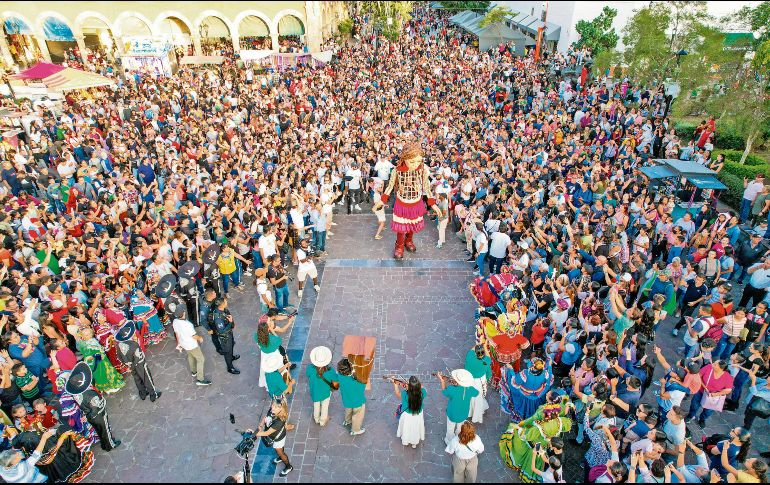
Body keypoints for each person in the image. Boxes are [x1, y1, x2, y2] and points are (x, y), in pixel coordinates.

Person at [65, 362, 121, 452]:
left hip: (88, 415)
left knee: (99, 430)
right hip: (98, 415)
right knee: (105, 430)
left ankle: (104, 444)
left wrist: (86, 416)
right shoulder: (90, 394)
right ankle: (110, 445)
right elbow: (97, 407)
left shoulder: (76, 394)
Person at [114, 320, 161, 402]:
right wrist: (133, 364)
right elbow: (138, 357)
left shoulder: (119, 345)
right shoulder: (134, 345)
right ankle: (153, 394)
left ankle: (142, 393)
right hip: (139, 364)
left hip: (130, 365)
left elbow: (119, 356)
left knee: (137, 379)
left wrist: (127, 366)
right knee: (146, 378)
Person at [253, 399, 295, 477]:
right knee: (278, 450)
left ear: (281, 409)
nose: (273, 408)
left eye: (276, 407)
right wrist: (260, 425)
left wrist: (255, 433)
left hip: (278, 439)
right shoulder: (273, 410)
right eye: (273, 405)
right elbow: (266, 417)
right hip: (274, 436)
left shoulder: (279, 421)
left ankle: (288, 466)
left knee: (280, 452)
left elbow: (267, 433)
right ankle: (280, 457)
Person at [327, 358, 367, 436]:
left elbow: (334, 377)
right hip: (358, 401)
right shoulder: (357, 381)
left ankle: (347, 421)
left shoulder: (339, 376)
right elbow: (366, 387)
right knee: (357, 416)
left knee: (348, 411)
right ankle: (355, 430)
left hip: (346, 400)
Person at [172, 308, 211, 386]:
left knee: (190, 355)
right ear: (183, 313)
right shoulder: (188, 324)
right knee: (201, 359)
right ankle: (200, 379)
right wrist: (200, 338)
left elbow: (176, 333)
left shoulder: (175, 321)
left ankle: (194, 371)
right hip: (192, 345)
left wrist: (179, 344)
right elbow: (194, 336)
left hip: (184, 344)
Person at [438, 369, 478, 445]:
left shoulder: (452, 389)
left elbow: (444, 391)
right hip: (463, 413)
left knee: (450, 428)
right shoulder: (469, 389)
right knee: (460, 428)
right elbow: (476, 393)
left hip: (452, 413)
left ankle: (449, 441)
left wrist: (442, 380)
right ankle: (458, 438)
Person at [390, 375, 426, 448]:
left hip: (407, 415)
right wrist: (413, 386)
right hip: (418, 414)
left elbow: (397, 394)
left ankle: (406, 440)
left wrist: (395, 384)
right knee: (415, 427)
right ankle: (414, 443)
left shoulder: (405, 394)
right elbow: (421, 387)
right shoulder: (423, 392)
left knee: (407, 427)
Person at [210, 298, 240, 375]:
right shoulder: (218, 317)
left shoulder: (224, 310)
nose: (227, 302)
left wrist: (232, 323)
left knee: (232, 344)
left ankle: (231, 357)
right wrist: (230, 323)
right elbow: (221, 331)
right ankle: (230, 367)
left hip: (229, 333)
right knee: (227, 351)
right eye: (225, 301)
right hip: (225, 337)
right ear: (222, 304)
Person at [307, 346, 335, 427]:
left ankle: (316, 419)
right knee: (325, 406)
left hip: (315, 392)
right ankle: (322, 421)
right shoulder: (330, 371)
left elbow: (307, 374)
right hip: (326, 392)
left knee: (316, 405)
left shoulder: (310, 368)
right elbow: (336, 379)